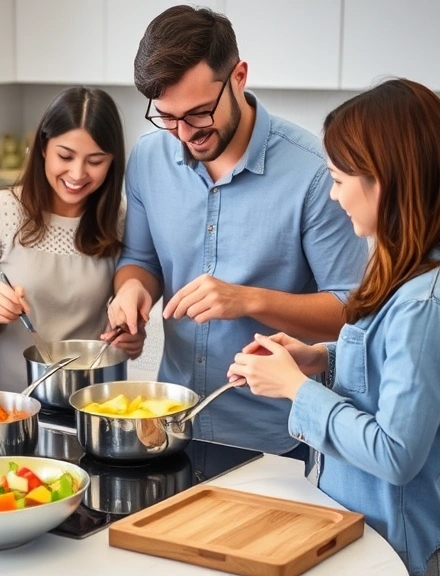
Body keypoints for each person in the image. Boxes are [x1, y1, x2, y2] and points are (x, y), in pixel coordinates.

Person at [227, 78, 440, 576]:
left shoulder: (427, 302)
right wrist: (321, 359)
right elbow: (393, 365)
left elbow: (395, 454)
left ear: (382, 179)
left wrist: (296, 390)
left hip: (402, 547)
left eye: (337, 179)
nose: (334, 196)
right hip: (371, 530)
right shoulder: (419, 263)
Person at [106, 5, 368, 459]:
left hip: (280, 436)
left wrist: (248, 299)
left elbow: (351, 309)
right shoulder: (150, 159)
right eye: (168, 117)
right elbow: (140, 261)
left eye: (200, 113)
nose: (185, 133)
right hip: (173, 426)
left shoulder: (313, 171)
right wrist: (130, 292)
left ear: (240, 77)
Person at [0, 87, 143, 392]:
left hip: (92, 399)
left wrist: (130, 337)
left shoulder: (120, 217)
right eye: (65, 156)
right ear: (43, 146)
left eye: (95, 161)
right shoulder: (1, 209)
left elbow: (129, 301)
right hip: (11, 400)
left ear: (112, 162)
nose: (77, 173)